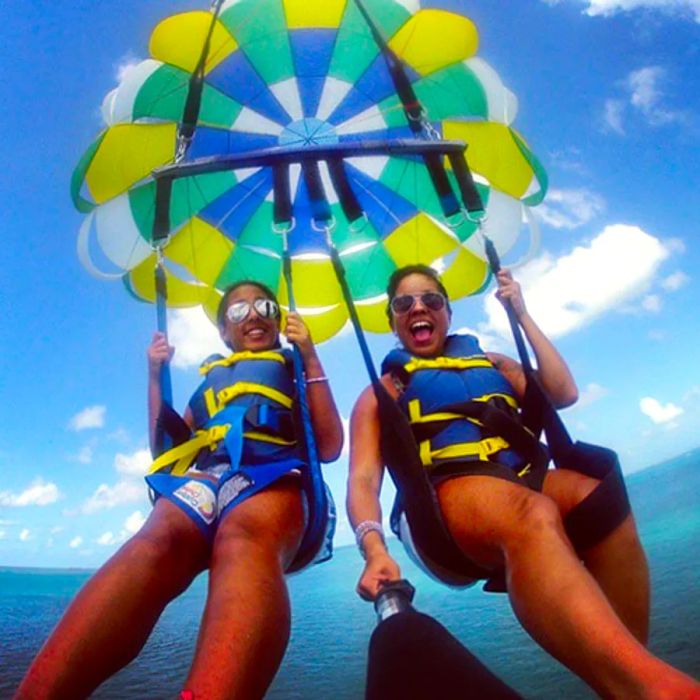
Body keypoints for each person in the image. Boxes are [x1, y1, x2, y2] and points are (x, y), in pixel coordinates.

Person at [348, 264, 700, 698]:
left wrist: (521, 314)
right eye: (405, 303)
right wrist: (373, 548)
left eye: (431, 300)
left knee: (597, 498)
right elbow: (363, 479)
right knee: (532, 512)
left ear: (447, 312)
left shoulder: (494, 363)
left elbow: (563, 392)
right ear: (393, 320)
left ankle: (627, 674)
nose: (419, 307)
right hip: (443, 504)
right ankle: (652, 688)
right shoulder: (382, 392)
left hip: (519, 478)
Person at [17, 281, 343, 700]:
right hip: (209, 478)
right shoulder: (210, 383)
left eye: (264, 306)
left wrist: (310, 354)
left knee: (242, 536)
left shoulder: (292, 366)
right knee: (157, 538)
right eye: (238, 311)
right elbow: (166, 450)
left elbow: (330, 445)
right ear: (225, 333)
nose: (254, 315)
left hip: (272, 471)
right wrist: (155, 376)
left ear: (280, 320)